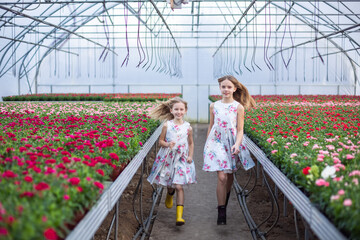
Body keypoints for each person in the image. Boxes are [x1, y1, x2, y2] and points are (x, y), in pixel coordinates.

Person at [203, 75, 256, 225]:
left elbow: (240, 130)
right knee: (222, 177)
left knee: (229, 176)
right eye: (223, 87)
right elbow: (211, 125)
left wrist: (237, 144)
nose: (226, 89)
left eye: (229, 87)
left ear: (234, 89)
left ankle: (224, 201)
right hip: (217, 142)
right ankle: (221, 211)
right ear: (220, 88)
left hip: (231, 142)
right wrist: (208, 143)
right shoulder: (214, 106)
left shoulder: (238, 107)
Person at [147, 97, 196, 226]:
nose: (179, 112)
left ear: (185, 111)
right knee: (170, 183)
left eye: (181, 109)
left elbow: (190, 143)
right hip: (168, 157)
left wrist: (190, 156)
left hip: (181, 158)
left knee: (179, 185)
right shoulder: (167, 125)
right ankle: (170, 193)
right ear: (171, 110)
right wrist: (168, 144)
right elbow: (161, 141)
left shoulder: (188, 127)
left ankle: (179, 216)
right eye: (176, 109)